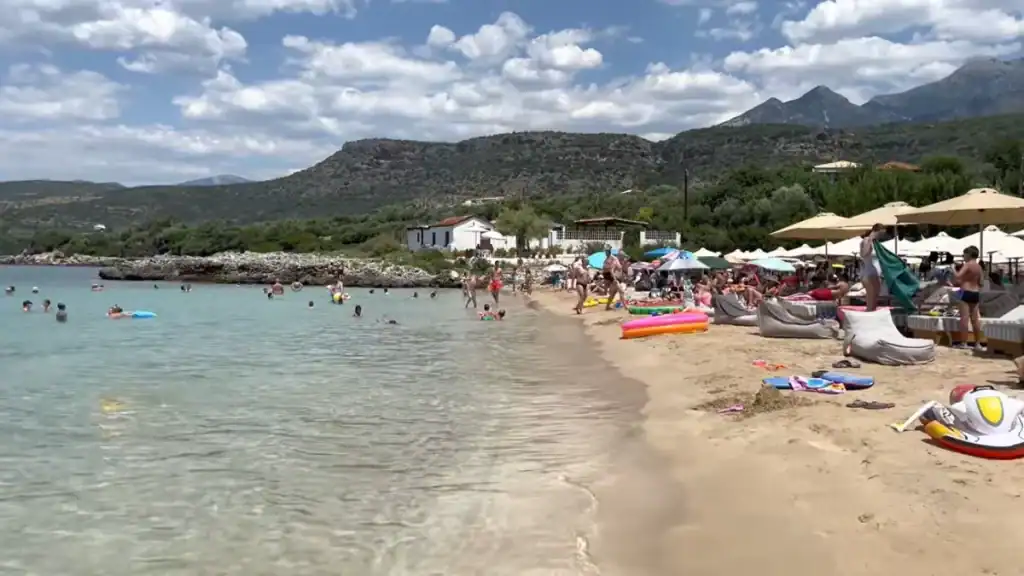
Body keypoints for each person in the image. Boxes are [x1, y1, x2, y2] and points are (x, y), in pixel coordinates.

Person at [954, 245, 983, 349]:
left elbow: (958, 276)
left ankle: (964, 343)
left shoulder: (967, 264)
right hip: (975, 293)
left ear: (969, 255)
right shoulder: (979, 267)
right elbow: (981, 283)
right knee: (975, 319)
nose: (963, 256)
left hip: (964, 292)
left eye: (964, 254)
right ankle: (978, 343)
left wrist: (952, 269)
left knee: (964, 319)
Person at [859, 223, 884, 311]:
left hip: (875, 274)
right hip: (868, 274)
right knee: (871, 300)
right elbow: (863, 254)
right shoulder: (866, 240)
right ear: (875, 231)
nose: (881, 236)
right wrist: (870, 240)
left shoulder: (876, 242)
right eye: (880, 234)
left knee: (875, 300)